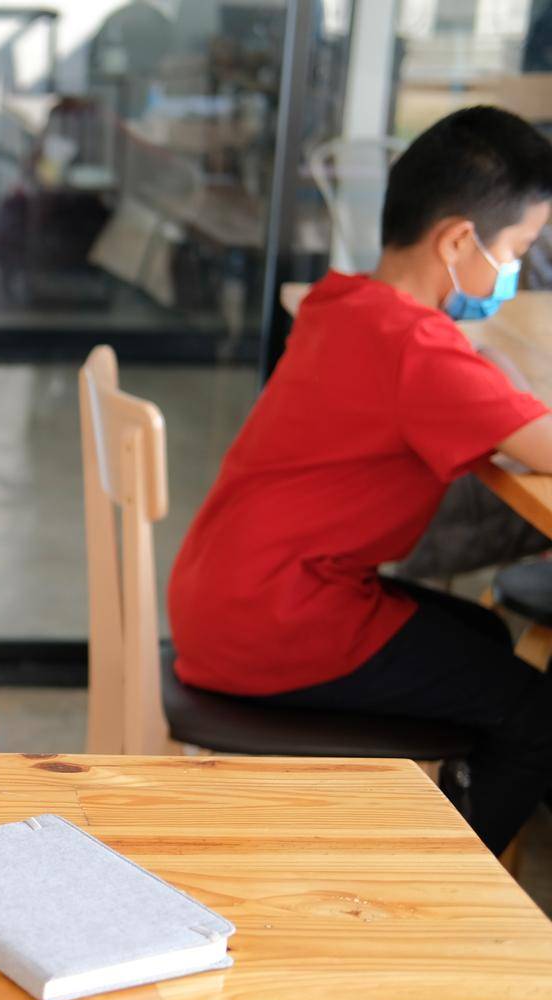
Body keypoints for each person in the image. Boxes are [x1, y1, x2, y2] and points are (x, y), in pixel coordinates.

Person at [168, 106, 552, 854]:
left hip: (232, 593)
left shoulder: (346, 303)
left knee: (478, 631)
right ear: (456, 240)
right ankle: (453, 886)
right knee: (531, 713)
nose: (516, 272)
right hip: (278, 622)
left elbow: (476, 389)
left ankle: (463, 800)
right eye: (518, 250)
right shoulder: (418, 351)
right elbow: (537, 440)